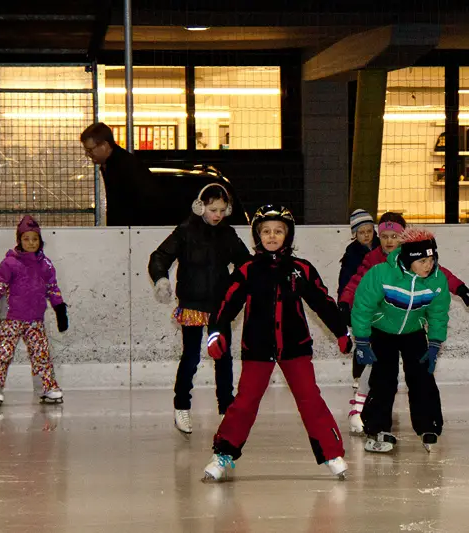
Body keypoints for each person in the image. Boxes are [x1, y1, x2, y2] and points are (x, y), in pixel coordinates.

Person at [203, 205, 352, 481]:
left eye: (278, 231)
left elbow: (322, 302)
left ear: (288, 235)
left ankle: (332, 453)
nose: (272, 236)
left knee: (310, 400)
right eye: (266, 231)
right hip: (257, 349)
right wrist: (217, 334)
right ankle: (223, 453)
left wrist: (341, 332)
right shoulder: (247, 271)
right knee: (245, 402)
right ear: (258, 236)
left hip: (295, 348)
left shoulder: (301, 270)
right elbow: (225, 306)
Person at [338, 212, 469, 434]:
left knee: (420, 374)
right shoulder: (375, 262)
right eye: (383, 236)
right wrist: (345, 302)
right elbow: (357, 282)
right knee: (380, 374)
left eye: (394, 236)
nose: (388, 241)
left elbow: (440, 277)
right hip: (381, 326)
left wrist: (460, 288)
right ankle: (368, 416)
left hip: (411, 327)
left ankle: (428, 424)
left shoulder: (419, 259)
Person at [148, 184, 251, 434]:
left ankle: (227, 407)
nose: (217, 214)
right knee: (191, 356)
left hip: (219, 305)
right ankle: (181, 406)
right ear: (200, 206)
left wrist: (242, 286)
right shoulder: (185, 232)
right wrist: (161, 278)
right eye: (212, 209)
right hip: (192, 304)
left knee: (223, 357)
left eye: (222, 210)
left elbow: (245, 263)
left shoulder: (227, 234)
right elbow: (160, 256)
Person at [351, 228, 450, 453]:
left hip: (413, 332)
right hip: (382, 331)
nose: (429, 265)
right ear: (408, 260)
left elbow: (438, 313)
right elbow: (363, 307)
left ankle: (429, 426)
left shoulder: (437, 280)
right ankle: (377, 429)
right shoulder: (381, 274)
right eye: (423, 260)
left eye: (432, 259)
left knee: (422, 377)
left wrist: (434, 343)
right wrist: (363, 341)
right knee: (384, 379)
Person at [0, 216, 69, 406]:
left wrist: (59, 309)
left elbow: (52, 288)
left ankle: (47, 387)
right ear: (19, 240)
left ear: (40, 241)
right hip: (11, 319)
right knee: (3, 354)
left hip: (35, 320)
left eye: (35, 239)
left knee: (41, 354)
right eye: (26, 239)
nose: (31, 243)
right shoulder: (9, 263)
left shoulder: (46, 265)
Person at [80, 122, 156, 226]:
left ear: (104, 146)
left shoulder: (123, 166)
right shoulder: (114, 163)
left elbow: (131, 205)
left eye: (90, 150)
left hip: (133, 231)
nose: (87, 154)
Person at [337, 209, 380, 389]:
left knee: (380, 340)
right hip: (361, 305)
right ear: (355, 234)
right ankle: (358, 376)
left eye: (369, 231)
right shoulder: (351, 255)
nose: (366, 235)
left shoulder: (382, 247)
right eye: (361, 232)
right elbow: (346, 280)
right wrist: (344, 303)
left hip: (381, 303)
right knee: (363, 340)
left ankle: (378, 375)